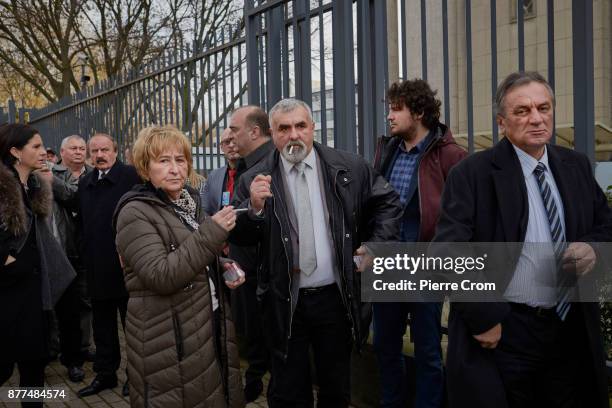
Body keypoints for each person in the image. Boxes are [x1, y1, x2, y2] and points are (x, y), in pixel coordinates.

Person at [433, 71, 612, 407]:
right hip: (504, 332)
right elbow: (448, 250)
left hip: (568, 330)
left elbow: (606, 226)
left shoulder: (575, 166)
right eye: (522, 111)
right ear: (502, 122)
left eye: (543, 108)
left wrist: (592, 248)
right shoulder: (472, 174)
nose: (536, 118)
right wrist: (484, 316)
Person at [231, 98, 402, 407]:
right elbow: (240, 237)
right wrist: (254, 209)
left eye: (300, 126)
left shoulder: (349, 167)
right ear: (272, 133)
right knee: (288, 392)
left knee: (336, 389)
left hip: (335, 299)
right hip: (284, 302)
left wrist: (377, 244)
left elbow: (388, 204)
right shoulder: (253, 179)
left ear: (312, 128)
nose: (293, 135)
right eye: (284, 129)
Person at [113, 125, 246, 407]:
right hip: (168, 340)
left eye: (180, 159)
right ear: (145, 168)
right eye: (163, 161)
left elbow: (187, 250)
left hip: (201, 325)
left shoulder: (186, 202)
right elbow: (162, 275)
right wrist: (213, 232)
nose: (175, 169)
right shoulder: (135, 212)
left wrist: (220, 265)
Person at [372, 79, 466, 408]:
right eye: (389, 109)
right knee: (384, 345)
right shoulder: (387, 151)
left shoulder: (452, 156)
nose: (389, 116)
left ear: (420, 112)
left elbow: (463, 216)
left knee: (427, 349)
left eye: (396, 109)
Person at [0, 124, 75, 406]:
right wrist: (8, 262)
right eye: (36, 146)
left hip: (34, 295)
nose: (44, 152)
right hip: (7, 295)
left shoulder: (31, 186)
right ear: (16, 152)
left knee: (35, 366)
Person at [77, 133, 140, 397]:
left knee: (134, 328)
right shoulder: (86, 181)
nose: (99, 155)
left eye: (105, 149)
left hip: (127, 267)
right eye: (95, 151)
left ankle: (136, 378)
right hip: (96, 266)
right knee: (102, 328)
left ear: (115, 151)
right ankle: (105, 375)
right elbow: (82, 222)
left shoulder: (132, 177)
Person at [228, 105, 274, 402]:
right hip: (246, 267)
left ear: (254, 131)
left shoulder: (267, 167)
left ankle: (262, 379)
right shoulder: (246, 166)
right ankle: (256, 376)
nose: (230, 136)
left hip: (264, 270)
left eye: (234, 129)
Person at [50, 135, 93, 382]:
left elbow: (82, 200)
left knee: (86, 301)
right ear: (62, 152)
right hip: (62, 247)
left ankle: (83, 347)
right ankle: (57, 348)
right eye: (73, 148)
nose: (78, 152)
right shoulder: (48, 174)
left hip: (86, 248)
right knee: (62, 304)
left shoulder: (92, 174)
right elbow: (70, 198)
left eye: (81, 148)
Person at [201, 128, 241, 216]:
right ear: (221, 148)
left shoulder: (253, 171)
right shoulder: (213, 176)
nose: (231, 145)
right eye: (226, 142)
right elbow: (204, 210)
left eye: (234, 141)